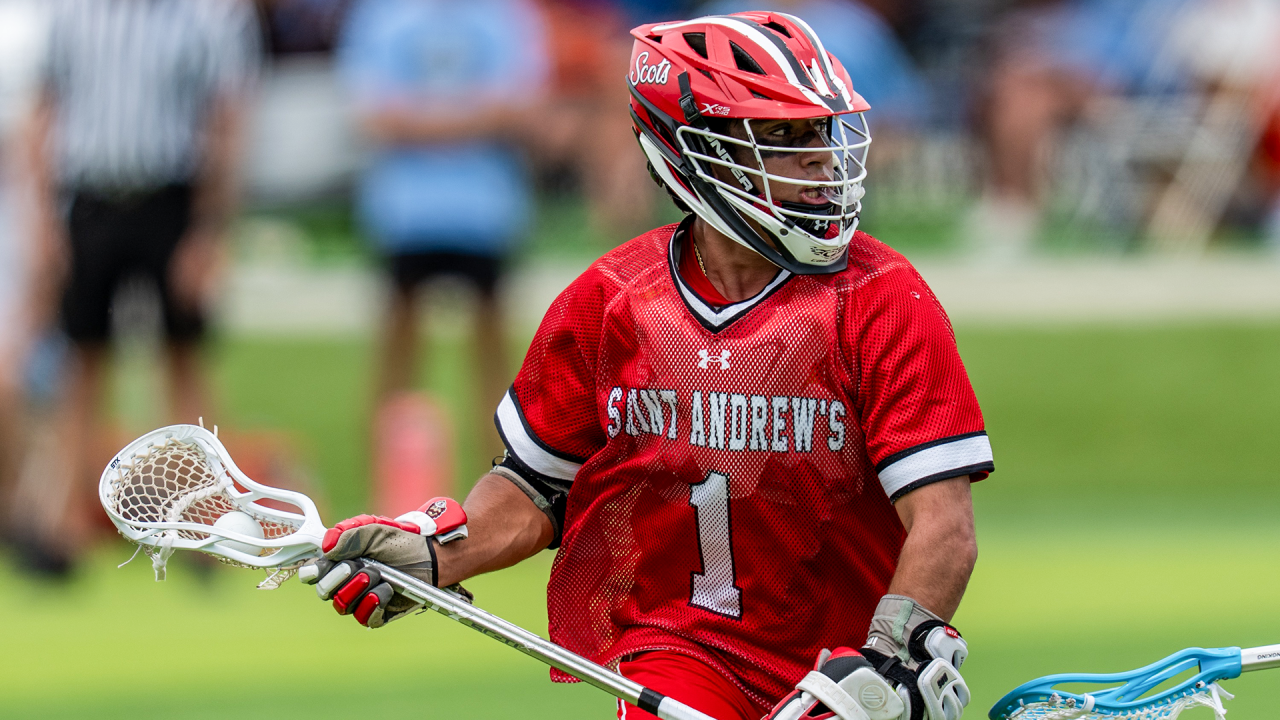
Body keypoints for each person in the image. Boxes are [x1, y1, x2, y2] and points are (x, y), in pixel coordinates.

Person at [305, 12, 990, 720]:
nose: (820, 159)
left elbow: (944, 522)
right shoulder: (612, 302)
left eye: (820, 132)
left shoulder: (880, 298)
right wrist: (436, 552)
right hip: (681, 654)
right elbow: (538, 489)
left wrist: (889, 658)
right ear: (693, 152)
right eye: (783, 137)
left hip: (840, 666)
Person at [21, 0, 260, 567]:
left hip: (168, 199)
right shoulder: (72, 17)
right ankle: (65, 526)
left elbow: (223, 121)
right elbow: (44, 113)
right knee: (81, 365)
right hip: (92, 199)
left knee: (183, 361)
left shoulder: (201, 21)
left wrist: (207, 230)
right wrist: (44, 223)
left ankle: (204, 528)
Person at [336, 0, 549, 503]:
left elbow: (521, 108)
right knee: (397, 351)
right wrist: (473, 119)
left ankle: (505, 485)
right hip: (405, 210)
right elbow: (372, 113)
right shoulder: (383, 16)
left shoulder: (506, 16)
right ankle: (385, 485)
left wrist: (421, 122)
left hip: (485, 209)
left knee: (496, 359)